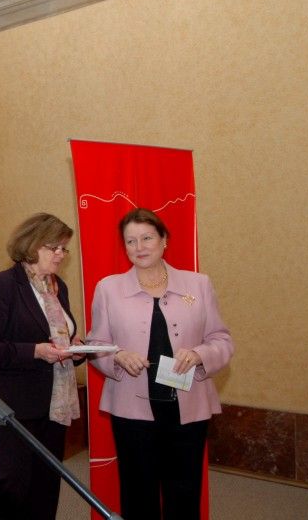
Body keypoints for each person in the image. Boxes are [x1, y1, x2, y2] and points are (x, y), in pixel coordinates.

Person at [88, 207, 234, 520]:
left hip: (188, 406)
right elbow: (95, 345)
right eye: (131, 241)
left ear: (164, 239)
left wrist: (199, 354)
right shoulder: (108, 288)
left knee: (184, 491)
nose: (139, 247)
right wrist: (117, 356)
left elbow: (221, 341)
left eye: (147, 238)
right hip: (132, 409)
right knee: (138, 492)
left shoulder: (198, 284)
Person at [0, 213, 85, 520]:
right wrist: (35, 351)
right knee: (13, 485)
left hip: (56, 402)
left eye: (64, 248)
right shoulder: (3, 285)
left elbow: (60, 337)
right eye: (54, 247)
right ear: (32, 245)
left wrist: (76, 348)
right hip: (15, 404)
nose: (61, 254)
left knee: (46, 484)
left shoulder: (58, 287)